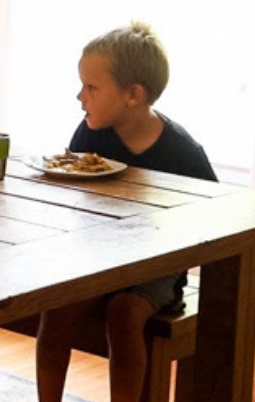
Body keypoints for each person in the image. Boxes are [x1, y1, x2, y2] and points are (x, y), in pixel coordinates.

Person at [35, 22, 217, 402]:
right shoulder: (90, 134)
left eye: (91, 87)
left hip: (156, 266)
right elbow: (74, 189)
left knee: (124, 313)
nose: (79, 96)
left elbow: (214, 215)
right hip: (96, 255)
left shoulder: (181, 152)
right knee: (56, 309)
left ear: (133, 95)